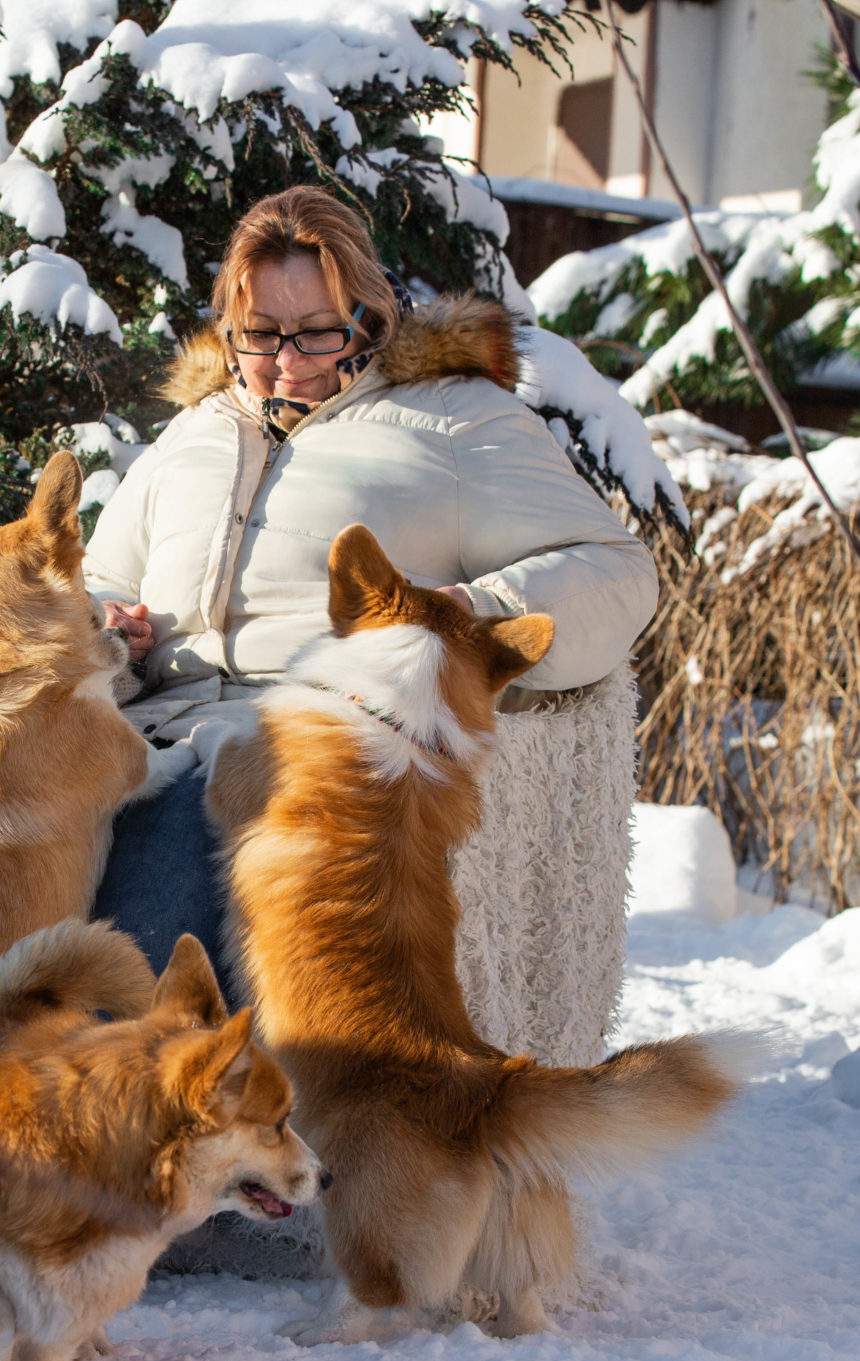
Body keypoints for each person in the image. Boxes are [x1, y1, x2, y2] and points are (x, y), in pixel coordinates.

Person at [83, 185, 659, 985]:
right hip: (144, 727)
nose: (285, 360)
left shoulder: (455, 420)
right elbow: (102, 577)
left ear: (369, 318)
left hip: (295, 733)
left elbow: (618, 571)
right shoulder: (195, 432)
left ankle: (132, 1083)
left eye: (317, 333)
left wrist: (467, 615)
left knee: (140, 927)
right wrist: (109, 627)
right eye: (260, 335)